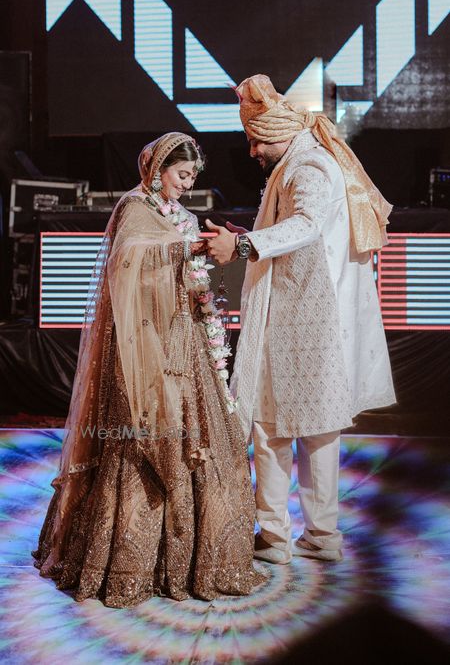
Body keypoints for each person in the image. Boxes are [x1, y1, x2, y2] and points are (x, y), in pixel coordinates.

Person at [33, 132, 264, 606]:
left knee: (200, 437)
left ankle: (197, 558)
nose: (187, 184)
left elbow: (187, 275)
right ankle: (130, 562)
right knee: (142, 434)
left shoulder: (184, 216)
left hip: (185, 340)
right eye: (182, 175)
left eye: (192, 177)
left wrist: (198, 258)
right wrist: (182, 251)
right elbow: (127, 262)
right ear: (158, 170)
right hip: (143, 345)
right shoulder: (134, 208)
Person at [206, 75, 396, 565]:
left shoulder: (307, 164)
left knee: (274, 426)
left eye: (256, 141)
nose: (252, 151)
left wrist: (242, 246)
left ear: (277, 134)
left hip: (302, 317)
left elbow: (307, 225)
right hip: (306, 313)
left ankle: (276, 537)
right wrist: (248, 234)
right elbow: (297, 229)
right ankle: (321, 535)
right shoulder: (302, 160)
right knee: (317, 428)